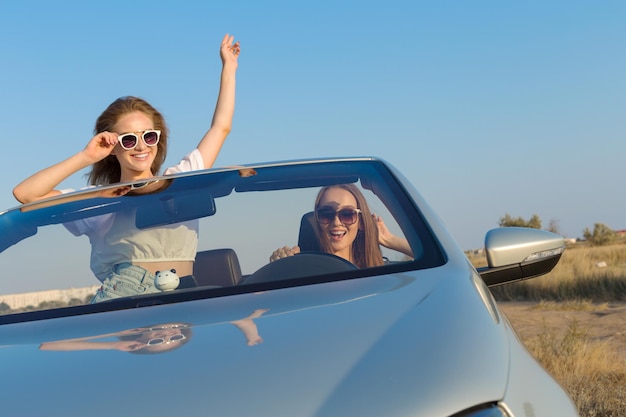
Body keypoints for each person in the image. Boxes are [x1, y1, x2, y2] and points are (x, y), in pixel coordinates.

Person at [13, 34, 241, 302]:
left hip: (184, 297)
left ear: (158, 141)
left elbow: (220, 127)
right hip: (122, 301)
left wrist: (229, 67)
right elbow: (26, 194)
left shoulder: (180, 179)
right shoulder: (97, 201)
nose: (141, 146)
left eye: (149, 136)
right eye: (129, 139)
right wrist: (87, 156)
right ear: (113, 146)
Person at [270, 184, 413, 268]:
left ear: (361, 222)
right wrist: (278, 268)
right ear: (316, 220)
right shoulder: (301, 270)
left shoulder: (378, 270)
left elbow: (433, 259)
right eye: (326, 214)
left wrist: (389, 239)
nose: (337, 222)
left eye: (347, 214)